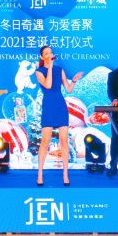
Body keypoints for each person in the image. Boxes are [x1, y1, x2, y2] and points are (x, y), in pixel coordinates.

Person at [35, 45, 83, 187]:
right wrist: (49, 67)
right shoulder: (39, 72)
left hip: (60, 105)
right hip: (48, 106)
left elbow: (68, 89)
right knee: (45, 141)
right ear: (42, 57)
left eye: (51, 52)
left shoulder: (59, 70)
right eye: (46, 53)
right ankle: (40, 174)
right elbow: (48, 85)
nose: (49, 54)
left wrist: (74, 80)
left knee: (64, 141)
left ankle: (65, 174)